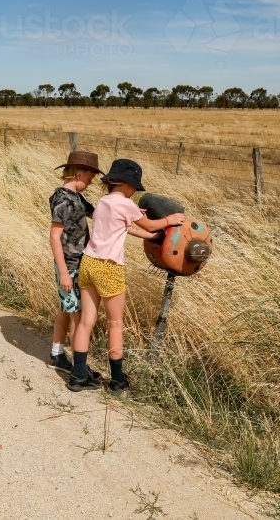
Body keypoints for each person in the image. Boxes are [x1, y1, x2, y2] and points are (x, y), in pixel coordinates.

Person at [68, 159, 184, 393]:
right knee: (115, 324)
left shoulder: (103, 201)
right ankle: (118, 380)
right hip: (109, 267)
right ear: (128, 185)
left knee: (86, 321)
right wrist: (170, 221)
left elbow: (122, 226)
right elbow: (152, 226)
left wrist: (142, 227)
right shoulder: (127, 204)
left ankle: (78, 375)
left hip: (89, 262)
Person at [47, 150, 102, 373]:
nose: (90, 183)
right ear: (79, 174)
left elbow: (98, 214)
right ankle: (79, 365)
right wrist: (63, 272)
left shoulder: (77, 198)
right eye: (90, 178)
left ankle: (56, 354)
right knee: (77, 316)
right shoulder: (63, 199)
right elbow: (54, 236)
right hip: (68, 266)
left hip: (76, 264)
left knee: (65, 310)